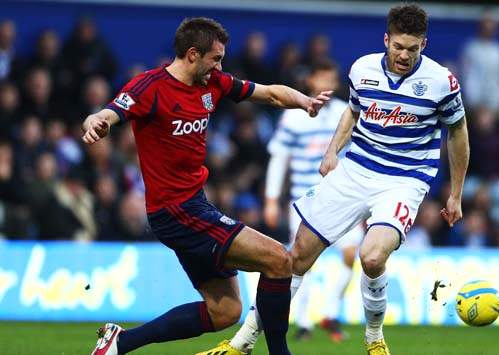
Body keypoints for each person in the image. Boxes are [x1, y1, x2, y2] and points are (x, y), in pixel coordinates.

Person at [199, 4, 469, 355]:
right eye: (398, 46)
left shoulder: (441, 82)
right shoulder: (363, 69)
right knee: (293, 259)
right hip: (355, 170)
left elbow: (458, 132)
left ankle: (374, 339)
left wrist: (456, 194)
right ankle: (242, 343)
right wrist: (332, 151)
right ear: (386, 39)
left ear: (424, 45)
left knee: (371, 257)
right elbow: (353, 112)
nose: (404, 55)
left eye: (412, 49)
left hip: (404, 180)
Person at [84, 17, 332, 355]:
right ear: (191, 54)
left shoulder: (213, 82)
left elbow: (270, 94)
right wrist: (95, 123)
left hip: (193, 206)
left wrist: (304, 101)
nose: (220, 65)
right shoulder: (149, 87)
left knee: (224, 311)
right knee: (279, 260)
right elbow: (108, 113)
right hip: (176, 210)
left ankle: (120, 343)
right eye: (215, 58)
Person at [263, 60, 364, 342]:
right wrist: (271, 199)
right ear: (310, 81)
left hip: (341, 196)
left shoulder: (346, 112)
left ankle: (330, 314)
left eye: (331, 79)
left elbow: (355, 156)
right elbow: (279, 158)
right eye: (322, 78)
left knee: (350, 253)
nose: (327, 85)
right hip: (304, 197)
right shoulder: (294, 116)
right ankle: (304, 322)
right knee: (301, 260)